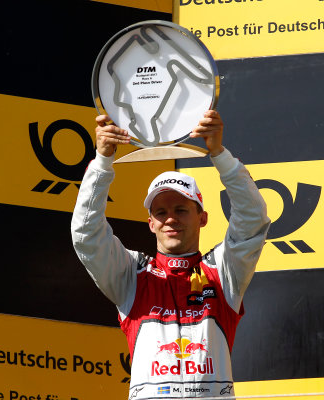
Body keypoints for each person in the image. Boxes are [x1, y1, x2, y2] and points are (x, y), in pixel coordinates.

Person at [71, 110, 270, 399]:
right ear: (150, 224)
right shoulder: (131, 277)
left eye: (181, 210)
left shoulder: (222, 272)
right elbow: (86, 235)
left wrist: (219, 155)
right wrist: (103, 161)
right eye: (160, 212)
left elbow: (253, 222)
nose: (170, 219)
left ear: (202, 218)